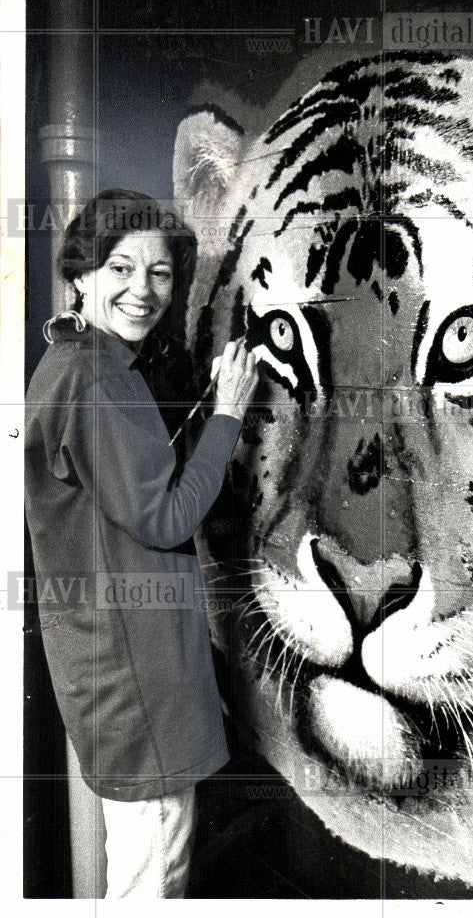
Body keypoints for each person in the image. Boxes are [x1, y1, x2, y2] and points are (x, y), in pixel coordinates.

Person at [24, 190, 259, 898]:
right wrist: (227, 417)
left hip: (108, 674)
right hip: (139, 684)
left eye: (161, 274)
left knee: (137, 870)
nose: (143, 290)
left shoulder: (71, 363)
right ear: (82, 276)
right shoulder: (98, 381)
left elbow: (125, 496)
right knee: (152, 882)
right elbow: (165, 520)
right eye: (121, 267)